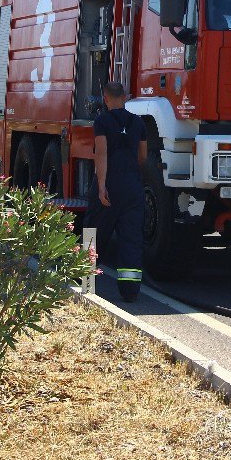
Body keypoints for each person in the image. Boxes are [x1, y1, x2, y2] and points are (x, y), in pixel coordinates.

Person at [86, 81, 148, 302]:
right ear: (124, 97)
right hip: (132, 186)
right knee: (131, 239)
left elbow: (101, 154)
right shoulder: (138, 122)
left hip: (110, 185)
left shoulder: (102, 121)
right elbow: (143, 156)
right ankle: (130, 292)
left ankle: (85, 282)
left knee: (94, 232)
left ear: (105, 99)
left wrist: (102, 186)